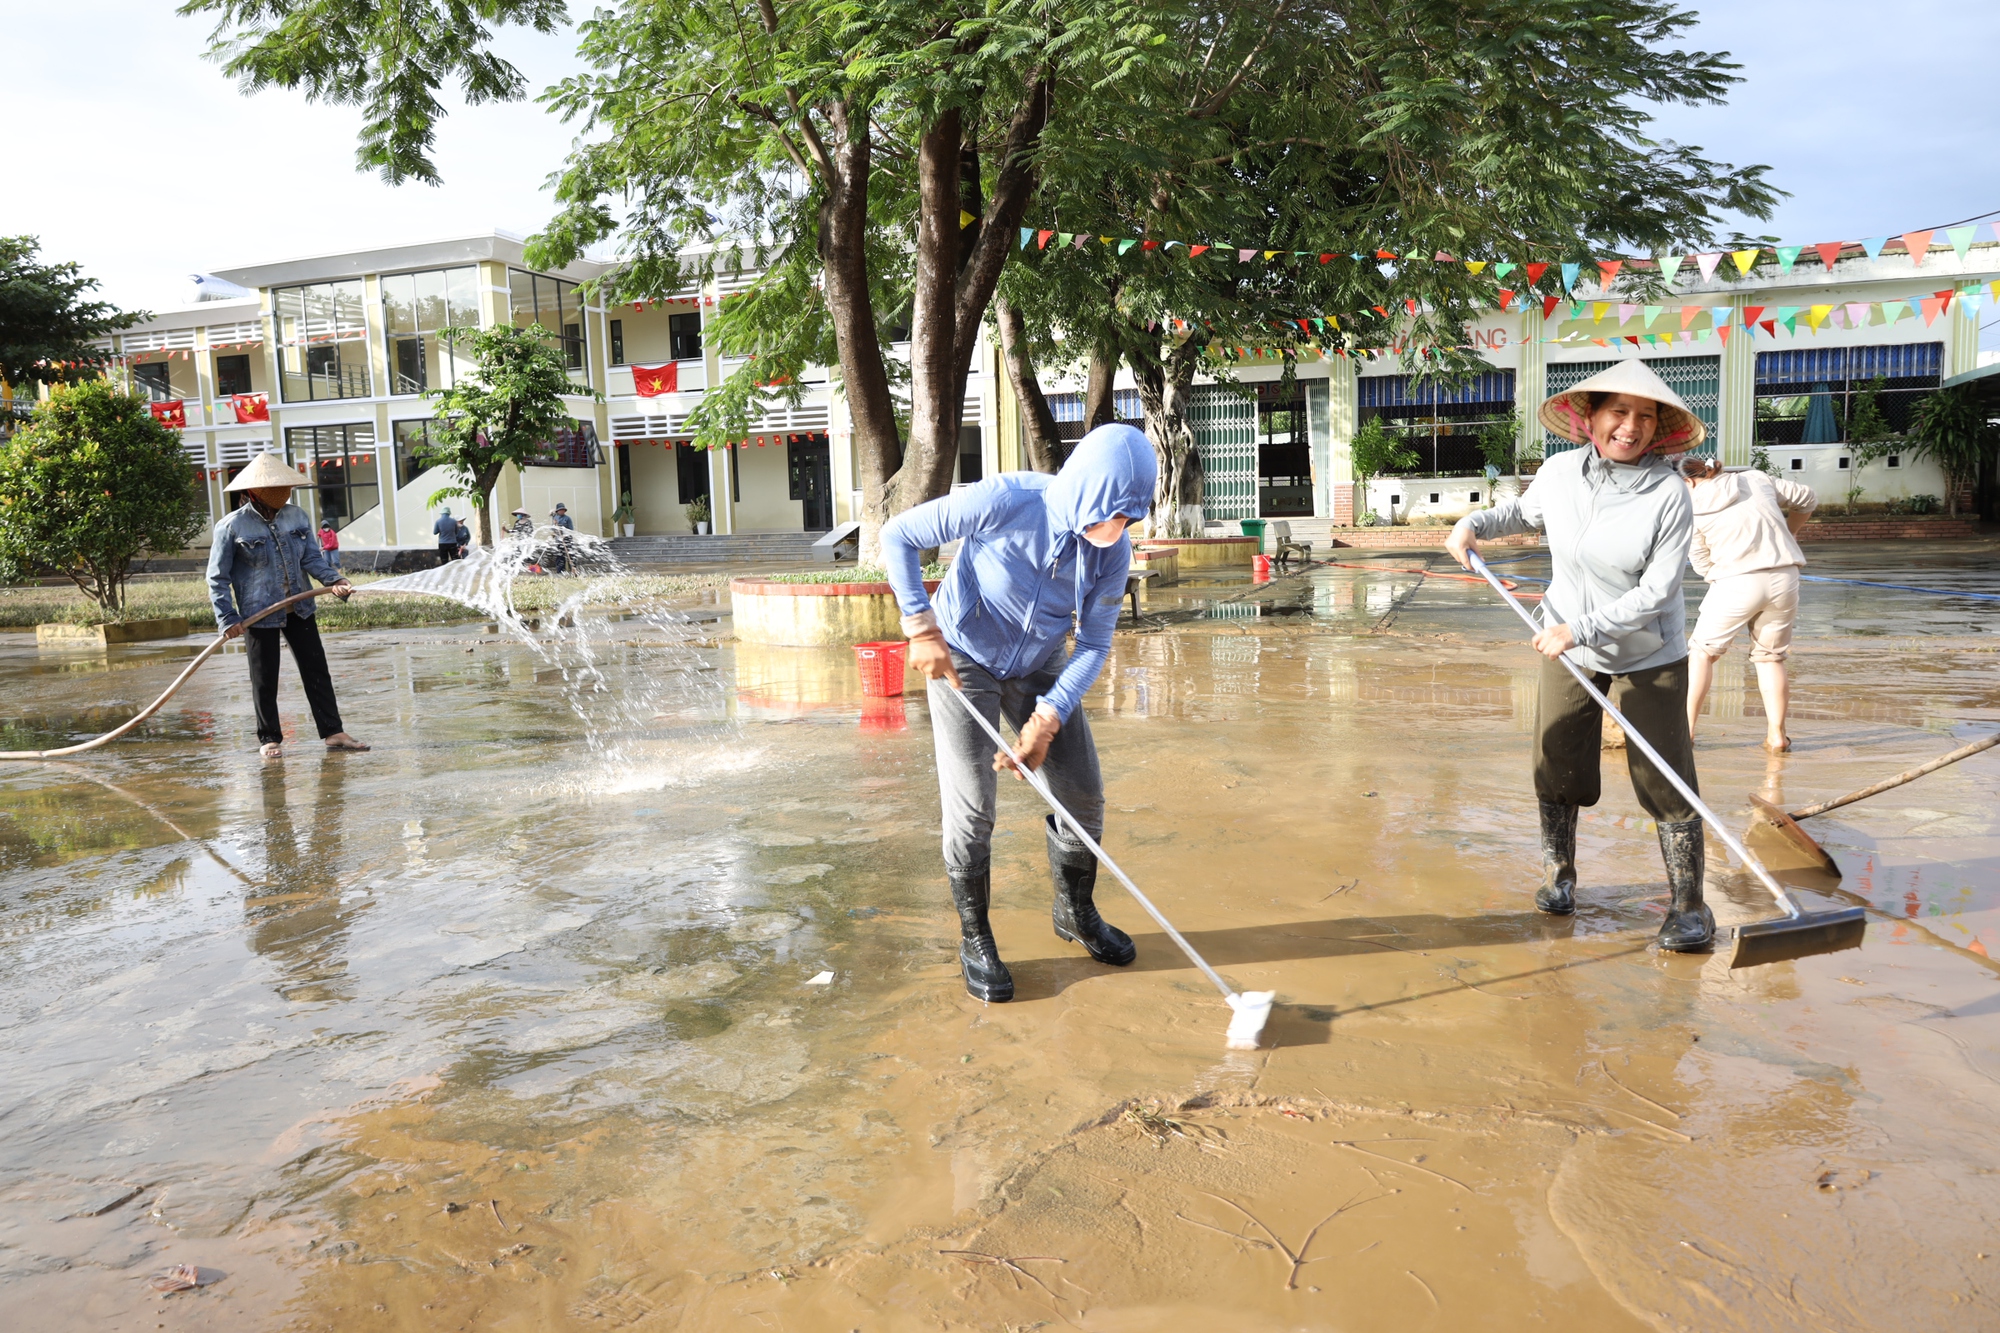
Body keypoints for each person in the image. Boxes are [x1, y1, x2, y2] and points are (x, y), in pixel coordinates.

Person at [882, 424, 1156, 1002]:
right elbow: (899, 534)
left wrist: (1048, 716)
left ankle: (1074, 910)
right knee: (974, 805)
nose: (1118, 529)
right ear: (1085, 490)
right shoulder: (1007, 500)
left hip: (1039, 663)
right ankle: (975, 934)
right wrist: (919, 625)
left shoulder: (1112, 551)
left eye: (1129, 519)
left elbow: (1095, 647)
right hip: (964, 656)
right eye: (1112, 514)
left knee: (1082, 792)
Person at [1446, 360, 1712, 951]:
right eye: (1619, 412)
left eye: (1646, 416)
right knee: (1557, 755)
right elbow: (1522, 512)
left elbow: (1656, 594)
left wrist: (1579, 629)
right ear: (1589, 418)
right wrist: (1472, 523)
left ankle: (1691, 905)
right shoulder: (1561, 471)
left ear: (1659, 427)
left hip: (1647, 649)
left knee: (1663, 771)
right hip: (1566, 640)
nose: (1631, 426)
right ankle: (1559, 874)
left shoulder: (1669, 494)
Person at [207, 451, 369, 759]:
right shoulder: (232, 527)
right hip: (259, 613)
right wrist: (227, 617)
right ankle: (269, 738)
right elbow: (217, 577)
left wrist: (334, 581)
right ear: (252, 493)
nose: (281, 496)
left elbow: (310, 558)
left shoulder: (297, 516)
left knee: (317, 670)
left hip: (300, 606)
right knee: (264, 678)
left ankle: (333, 732)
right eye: (272, 491)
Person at [1679, 458, 1818, 752]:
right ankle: (1777, 736)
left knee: (1702, 653)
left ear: (1688, 481)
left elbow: (1702, 561)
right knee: (1770, 657)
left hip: (1735, 581)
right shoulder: (1755, 479)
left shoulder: (1689, 509)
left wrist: (1724, 578)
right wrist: (1791, 531)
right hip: (1785, 576)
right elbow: (1807, 497)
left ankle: (1686, 733)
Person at [549, 501, 575, 575]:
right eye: (560, 510)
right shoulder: (555, 519)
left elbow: (571, 529)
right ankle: (560, 572)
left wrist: (565, 535)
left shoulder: (567, 519)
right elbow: (552, 528)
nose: (562, 511)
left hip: (567, 540)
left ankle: (572, 570)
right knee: (560, 556)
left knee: (570, 555)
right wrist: (554, 533)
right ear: (557, 511)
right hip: (559, 541)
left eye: (563, 510)